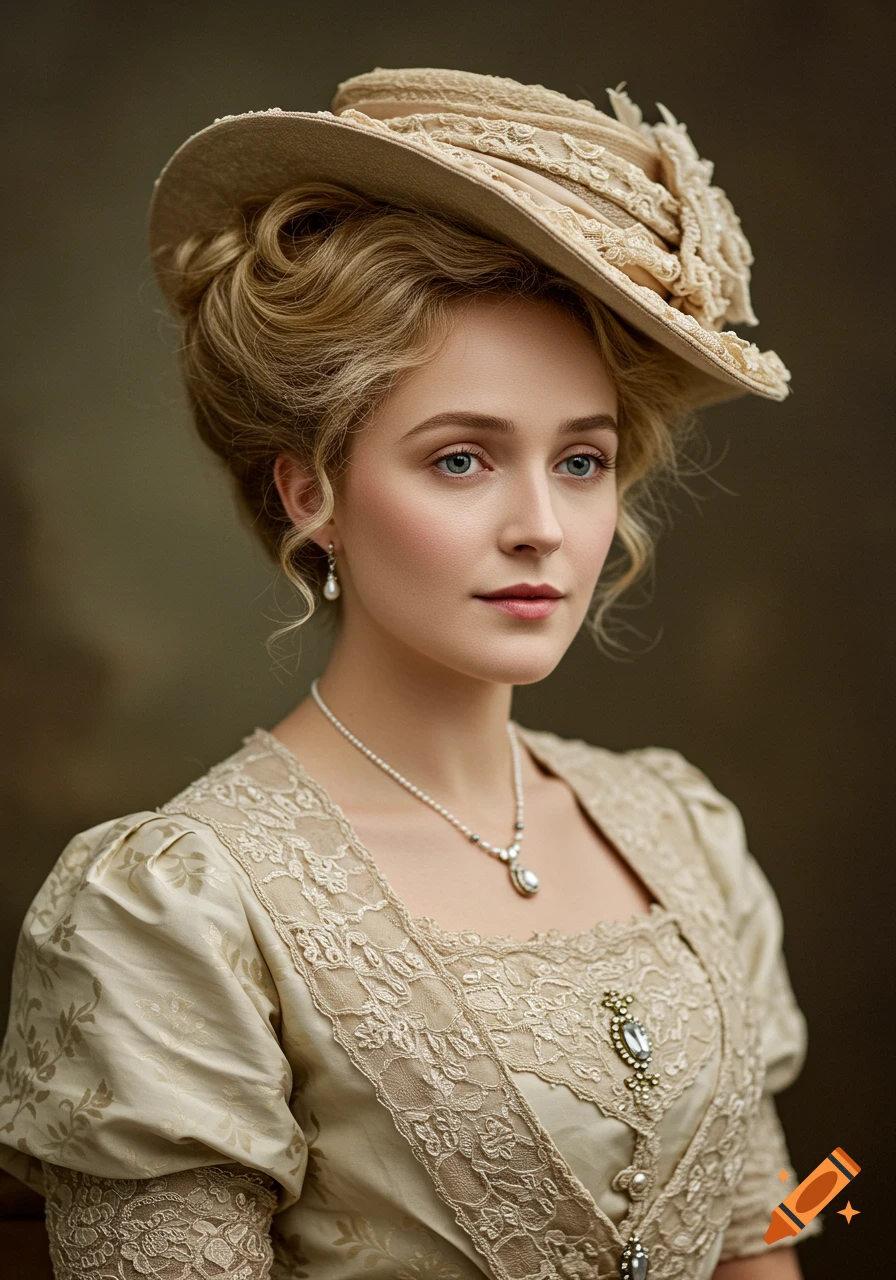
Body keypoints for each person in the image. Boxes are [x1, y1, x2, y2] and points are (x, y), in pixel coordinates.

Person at [0, 67, 821, 1279]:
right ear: (308, 490)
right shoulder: (176, 908)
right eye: (458, 460)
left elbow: (773, 1225)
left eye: (581, 460)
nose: (542, 524)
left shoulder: (679, 829)